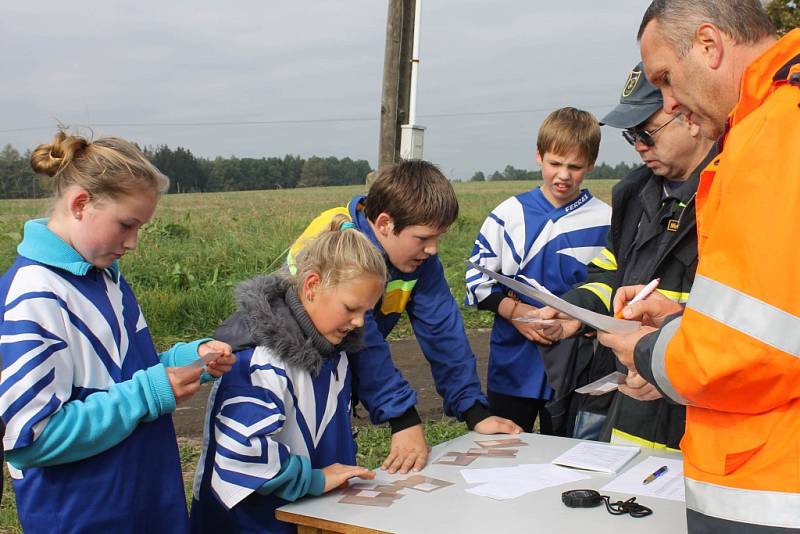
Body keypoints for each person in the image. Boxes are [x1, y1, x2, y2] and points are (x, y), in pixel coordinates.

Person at [597, 1, 800, 532]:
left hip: (769, 486)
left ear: (710, 45)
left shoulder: (774, 133)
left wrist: (645, 348)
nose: (668, 102)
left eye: (666, 79)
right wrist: (679, 322)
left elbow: (746, 352)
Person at [216, 160, 521, 475]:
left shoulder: (419, 257)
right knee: (290, 468)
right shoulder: (343, 248)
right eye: (424, 238)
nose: (433, 250)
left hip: (333, 377)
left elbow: (443, 330)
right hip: (290, 374)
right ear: (386, 223)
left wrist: (473, 409)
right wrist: (402, 418)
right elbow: (364, 340)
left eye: (438, 238)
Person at [0, 131, 235, 533]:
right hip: (84, 517)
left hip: (145, 501)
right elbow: (31, 439)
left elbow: (122, 376)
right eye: (126, 225)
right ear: (80, 204)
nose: (133, 242)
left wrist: (187, 361)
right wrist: (149, 392)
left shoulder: (104, 277)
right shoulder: (34, 294)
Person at [537, 67, 715, 446]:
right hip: (633, 400)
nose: (639, 146)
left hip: (703, 414)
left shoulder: (731, 194)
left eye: (646, 132)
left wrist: (667, 356)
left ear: (690, 116)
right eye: (631, 135)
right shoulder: (634, 194)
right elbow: (610, 271)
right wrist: (575, 310)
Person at [191, 219, 387, 533]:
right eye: (351, 308)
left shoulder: (336, 352)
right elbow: (241, 457)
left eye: (367, 311)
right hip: (251, 525)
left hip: (308, 518)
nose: (359, 322)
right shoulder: (257, 361)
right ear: (311, 286)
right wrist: (315, 480)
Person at [464, 107, 611, 433]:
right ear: (538, 156)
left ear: (591, 165)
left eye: (575, 167)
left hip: (577, 365)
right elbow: (477, 281)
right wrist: (515, 312)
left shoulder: (607, 220)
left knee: (571, 458)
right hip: (514, 364)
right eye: (555, 163)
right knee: (506, 455)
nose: (563, 175)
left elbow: (612, 289)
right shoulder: (508, 213)